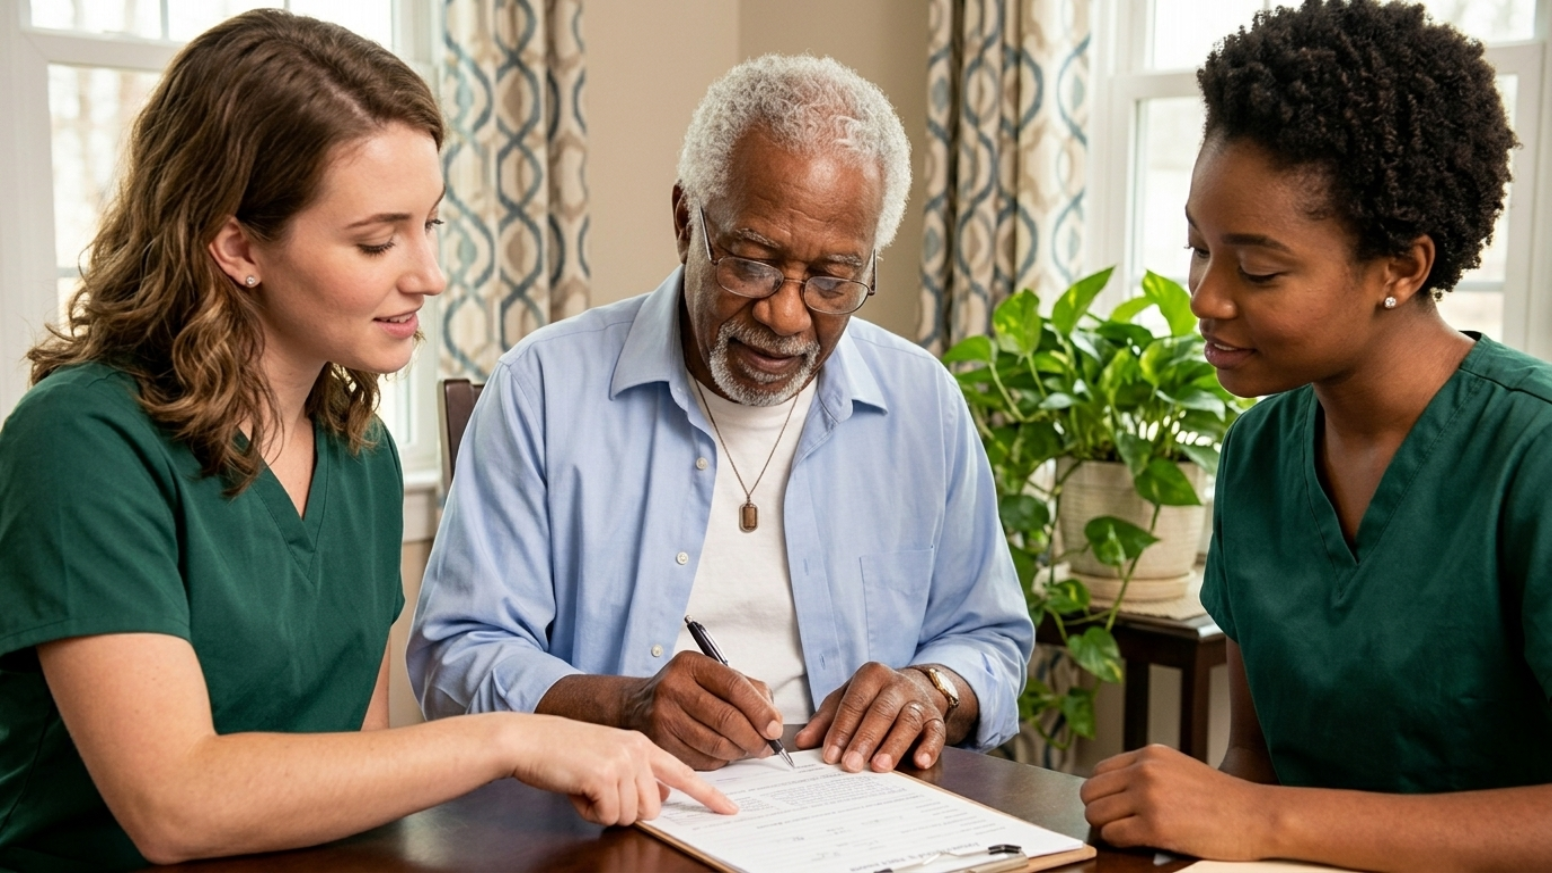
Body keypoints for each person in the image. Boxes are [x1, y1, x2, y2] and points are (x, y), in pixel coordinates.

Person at [0, 11, 732, 872]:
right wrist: (510, 736)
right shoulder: (81, 440)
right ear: (237, 244)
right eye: (378, 239)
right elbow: (175, 801)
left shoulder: (360, 453)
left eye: (432, 224)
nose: (429, 273)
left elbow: (355, 774)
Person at [408, 54, 1034, 775]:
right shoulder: (543, 388)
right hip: (616, 814)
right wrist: (623, 707)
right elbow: (455, 655)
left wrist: (932, 688)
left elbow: (989, 639)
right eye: (752, 262)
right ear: (685, 220)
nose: (787, 313)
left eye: (834, 280)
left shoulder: (924, 406)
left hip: (861, 816)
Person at [1079, 1, 1552, 869]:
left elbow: (1260, 808)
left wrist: (1261, 823)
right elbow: (1255, 762)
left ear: (1401, 268)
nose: (1207, 297)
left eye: (1258, 268)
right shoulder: (1260, 452)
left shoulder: (1534, 457)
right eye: (1199, 247)